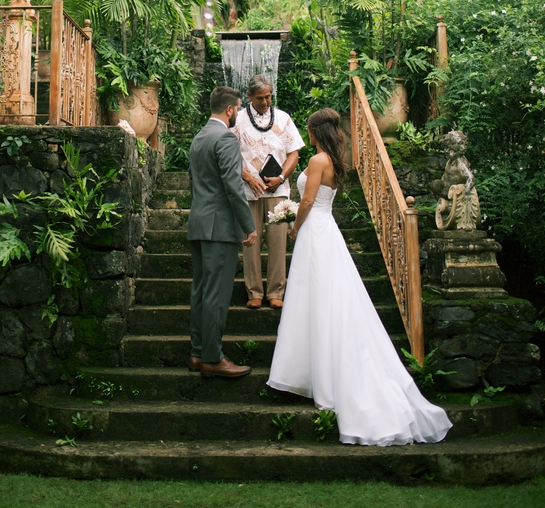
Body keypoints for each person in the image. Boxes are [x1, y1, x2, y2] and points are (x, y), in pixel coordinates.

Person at [267, 107, 452, 447]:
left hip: (314, 231)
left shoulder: (316, 161)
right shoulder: (335, 162)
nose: (306, 135)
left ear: (315, 132)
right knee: (329, 298)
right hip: (328, 229)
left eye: (308, 130)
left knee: (316, 299)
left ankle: (320, 377)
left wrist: (292, 225)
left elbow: (307, 202)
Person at [188, 86, 258, 379]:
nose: (239, 113)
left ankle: (197, 352)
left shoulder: (199, 137)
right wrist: (249, 225)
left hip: (200, 223)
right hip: (220, 228)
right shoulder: (226, 138)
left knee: (201, 291)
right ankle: (213, 358)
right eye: (239, 109)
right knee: (216, 295)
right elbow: (232, 187)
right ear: (230, 110)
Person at [235, 75, 305, 310]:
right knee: (250, 242)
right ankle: (254, 291)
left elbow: (294, 152)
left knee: (277, 243)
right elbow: (229, 154)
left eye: (268, 97)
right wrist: (247, 177)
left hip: (277, 190)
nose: (265, 101)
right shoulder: (238, 119)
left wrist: (281, 177)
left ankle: (276, 292)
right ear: (249, 97)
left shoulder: (283, 118)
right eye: (260, 98)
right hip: (249, 191)